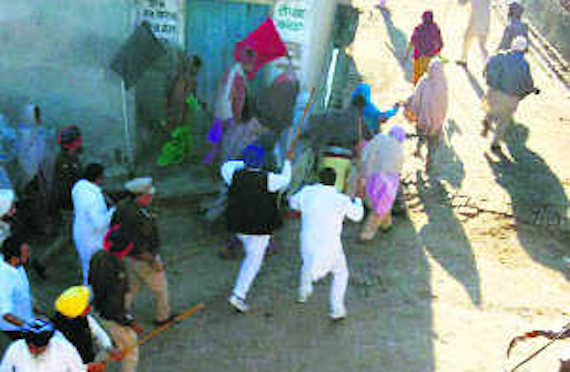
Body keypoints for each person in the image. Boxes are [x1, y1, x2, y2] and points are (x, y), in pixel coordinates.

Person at [223, 144, 293, 312]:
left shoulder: (232, 173)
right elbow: (286, 178)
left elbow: (230, 164)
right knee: (253, 261)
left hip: (238, 225)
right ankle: (238, 295)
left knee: (251, 255)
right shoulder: (269, 179)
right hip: (259, 229)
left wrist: (244, 162)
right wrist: (288, 162)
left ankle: (239, 292)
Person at [289, 167, 364, 320]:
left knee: (307, 262)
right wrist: (358, 200)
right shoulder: (340, 199)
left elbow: (293, 203)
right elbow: (357, 216)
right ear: (335, 181)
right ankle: (337, 308)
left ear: (318, 178)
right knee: (341, 273)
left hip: (308, 240)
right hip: (330, 245)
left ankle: (304, 292)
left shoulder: (307, 192)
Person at [112, 177, 174, 326]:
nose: (150, 198)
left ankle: (118, 312)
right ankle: (162, 317)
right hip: (142, 258)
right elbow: (142, 244)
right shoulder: (140, 216)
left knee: (132, 287)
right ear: (138, 196)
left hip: (126, 256)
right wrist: (153, 261)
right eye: (148, 195)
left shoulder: (122, 207)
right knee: (160, 288)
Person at [31, 125, 84, 280]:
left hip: (70, 205)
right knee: (71, 237)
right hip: (69, 206)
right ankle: (42, 262)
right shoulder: (65, 163)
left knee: (68, 238)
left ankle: (41, 262)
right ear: (74, 143)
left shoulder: (71, 158)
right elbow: (64, 189)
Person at [89, 244, 142, 372]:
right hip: (114, 319)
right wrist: (130, 322)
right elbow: (116, 310)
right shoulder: (114, 283)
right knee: (130, 350)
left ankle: (90, 367)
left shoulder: (98, 265)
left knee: (113, 345)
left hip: (101, 313)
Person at [482, 36, 539, 152]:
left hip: (494, 92)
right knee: (504, 120)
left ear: (512, 45)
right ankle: (495, 143)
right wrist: (533, 89)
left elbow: (487, 68)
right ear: (524, 50)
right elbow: (527, 83)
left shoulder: (499, 56)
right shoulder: (524, 64)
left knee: (491, 109)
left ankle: (488, 120)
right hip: (511, 98)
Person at [202, 48, 256, 165]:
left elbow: (221, 91)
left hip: (219, 111)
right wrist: (236, 118)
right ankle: (222, 167)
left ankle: (207, 163)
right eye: (252, 64)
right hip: (229, 115)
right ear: (247, 62)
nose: (253, 68)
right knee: (227, 143)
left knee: (214, 140)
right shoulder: (239, 77)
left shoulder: (230, 71)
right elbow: (237, 100)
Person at [0, 318, 106, 372]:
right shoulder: (16, 348)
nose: (32, 350)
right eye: (30, 347)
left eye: (38, 348)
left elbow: (78, 370)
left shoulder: (64, 349)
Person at [359, 126, 406, 240]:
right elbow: (397, 171)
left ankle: (386, 224)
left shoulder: (379, 138)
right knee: (380, 207)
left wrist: (364, 173)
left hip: (371, 177)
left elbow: (366, 153)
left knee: (379, 204)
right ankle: (366, 235)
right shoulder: (399, 150)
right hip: (387, 183)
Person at [53, 286, 121, 365]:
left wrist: (109, 347)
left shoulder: (85, 318)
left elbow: (98, 332)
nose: (89, 309)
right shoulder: (57, 334)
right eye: (85, 307)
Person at [72, 163, 116, 285]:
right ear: (98, 178)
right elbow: (99, 223)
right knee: (96, 272)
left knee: (88, 270)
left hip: (81, 234)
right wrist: (113, 212)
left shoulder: (78, 188)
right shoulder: (92, 197)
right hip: (92, 238)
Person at [404, 59, 448, 172]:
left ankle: (418, 150)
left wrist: (411, 108)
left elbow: (416, 99)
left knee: (421, 136)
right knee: (433, 144)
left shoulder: (423, 82)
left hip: (422, 119)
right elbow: (445, 103)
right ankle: (429, 163)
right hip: (437, 121)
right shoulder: (443, 84)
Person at [0, 235, 35, 341]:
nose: (29, 254)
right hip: (15, 328)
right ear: (15, 258)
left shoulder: (16, 265)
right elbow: (6, 314)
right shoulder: (4, 280)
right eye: (26, 252)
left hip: (26, 317)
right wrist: (30, 327)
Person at [405, 10, 444, 85]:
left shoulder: (419, 28)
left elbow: (413, 40)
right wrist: (436, 51)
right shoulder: (435, 28)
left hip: (419, 56)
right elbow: (440, 44)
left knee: (417, 76)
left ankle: (417, 91)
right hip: (429, 57)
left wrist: (410, 50)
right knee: (427, 77)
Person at [456, 0, 490, 67]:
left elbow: (462, 3)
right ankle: (488, 64)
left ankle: (464, 59)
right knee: (482, 45)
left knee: (467, 40)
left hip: (475, 21)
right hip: (485, 21)